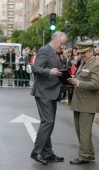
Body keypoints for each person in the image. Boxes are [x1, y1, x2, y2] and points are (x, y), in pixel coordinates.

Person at [30, 31, 67, 165]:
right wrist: (49, 71)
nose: (63, 47)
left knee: (49, 122)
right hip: (44, 92)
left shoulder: (57, 54)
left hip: (52, 92)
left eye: (64, 44)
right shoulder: (45, 50)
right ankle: (37, 152)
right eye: (61, 44)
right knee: (47, 121)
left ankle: (47, 152)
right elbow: (36, 69)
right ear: (54, 40)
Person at [68, 42, 99, 165]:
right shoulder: (85, 63)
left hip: (88, 103)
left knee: (84, 130)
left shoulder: (96, 65)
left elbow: (95, 84)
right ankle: (90, 153)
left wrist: (78, 82)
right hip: (79, 102)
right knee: (80, 130)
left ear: (90, 52)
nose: (81, 55)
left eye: (84, 52)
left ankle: (83, 156)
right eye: (81, 52)